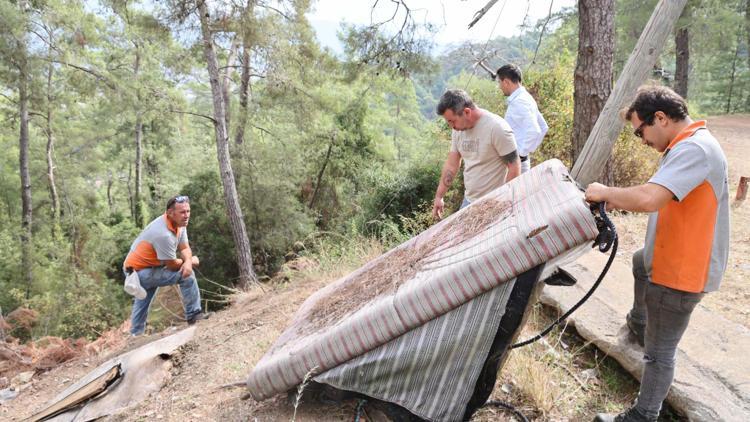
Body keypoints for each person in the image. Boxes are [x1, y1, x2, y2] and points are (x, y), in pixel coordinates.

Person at [585, 86, 729, 422]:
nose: (642, 140)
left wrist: (605, 193)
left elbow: (650, 198)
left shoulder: (694, 150)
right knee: (640, 261)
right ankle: (639, 323)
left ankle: (643, 415)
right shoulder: (689, 144)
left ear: (660, 118)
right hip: (670, 256)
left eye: (640, 131)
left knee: (659, 353)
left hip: (681, 272)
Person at [123, 195, 210, 336]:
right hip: (137, 273)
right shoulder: (163, 234)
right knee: (186, 275)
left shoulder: (180, 224)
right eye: (182, 212)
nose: (186, 215)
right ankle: (194, 315)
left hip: (144, 268)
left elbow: (184, 248)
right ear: (170, 213)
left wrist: (188, 261)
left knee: (143, 298)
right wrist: (190, 262)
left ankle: (135, 334)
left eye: (188, 211)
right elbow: (171, 266)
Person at [432, 89, 521, 219]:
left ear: (467, 112)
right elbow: (452, 165)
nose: (452, 126)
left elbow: (514, 166)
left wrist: (504, 202)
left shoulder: (497, 127)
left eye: (452, 121)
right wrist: (439, 196)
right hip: (469, 200)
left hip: (494, 201)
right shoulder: (458, 130)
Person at [496, 64, 548, 173]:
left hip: (517, 164)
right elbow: (544, 127)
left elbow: (535, 130)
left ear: (506, 82)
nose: (499, 87)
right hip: (519, 162)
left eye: (499, 83)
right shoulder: (525, 98)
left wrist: (520, 155)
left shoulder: (520, 101)